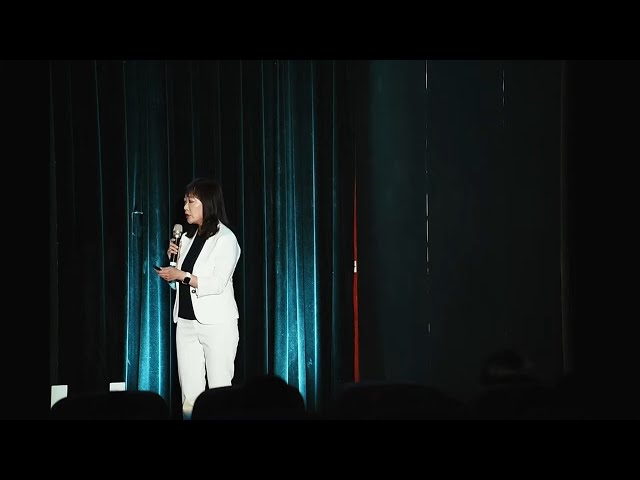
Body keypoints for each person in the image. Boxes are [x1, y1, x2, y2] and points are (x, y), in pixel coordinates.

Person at [155, 178, 241, 419]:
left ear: (208, 203)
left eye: (191, 201)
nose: (185, 207)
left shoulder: (225, 239)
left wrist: (181, 275)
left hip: (217, 325)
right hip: (185, 323)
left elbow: (217, 283)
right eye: (185, 201)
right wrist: (171, 271)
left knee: (220, 391)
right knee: (189, 396)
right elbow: (179, 286)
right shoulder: (186, 238)